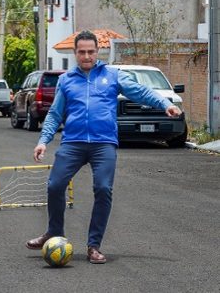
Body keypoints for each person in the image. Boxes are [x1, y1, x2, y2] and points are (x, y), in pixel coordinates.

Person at [25, 30, 182, 264]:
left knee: (103, 189)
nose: (86, 56)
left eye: (91, 51)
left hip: (103, 145)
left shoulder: (113, 75)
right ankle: (54, 233)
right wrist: (43, 141)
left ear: (98, 52)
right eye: (82, 52)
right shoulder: (66, 80)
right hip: (73, 143)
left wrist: (164, 103)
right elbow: (55, 114)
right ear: (75, 53)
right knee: (55, 185)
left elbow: (140, 92)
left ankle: (93, 246)